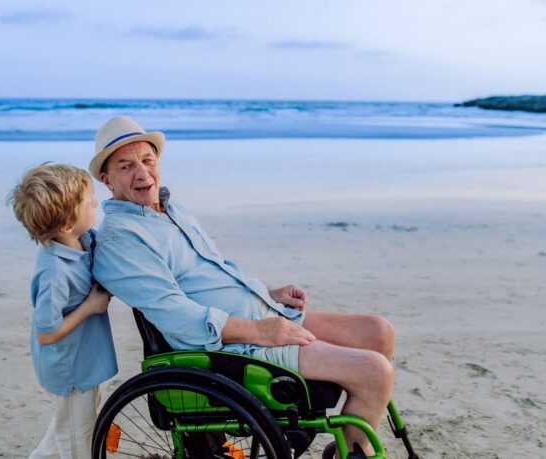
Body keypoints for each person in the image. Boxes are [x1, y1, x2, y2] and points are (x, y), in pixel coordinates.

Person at [90, 116, 394, 456]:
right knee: (374, 372)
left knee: (378, 332)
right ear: (106, 178)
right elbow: (176, 315)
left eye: (147, 161)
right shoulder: (120, 242)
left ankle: (347, 446)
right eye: (126, 166)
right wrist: (259, 331)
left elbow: (217, 271)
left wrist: (269, 294)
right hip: (229, 347)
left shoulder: (169, 209)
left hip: (261, 316)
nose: (142, 173)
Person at [8, 164, 117, 459]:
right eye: (88, 201)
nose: (95, 202)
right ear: (67, 225)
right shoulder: (55, 271)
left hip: (84, 359)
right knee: (78, 438)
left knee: (68, 427)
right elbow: (45, 332)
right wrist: (89, 307)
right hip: (69, 368)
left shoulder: (83, 240)